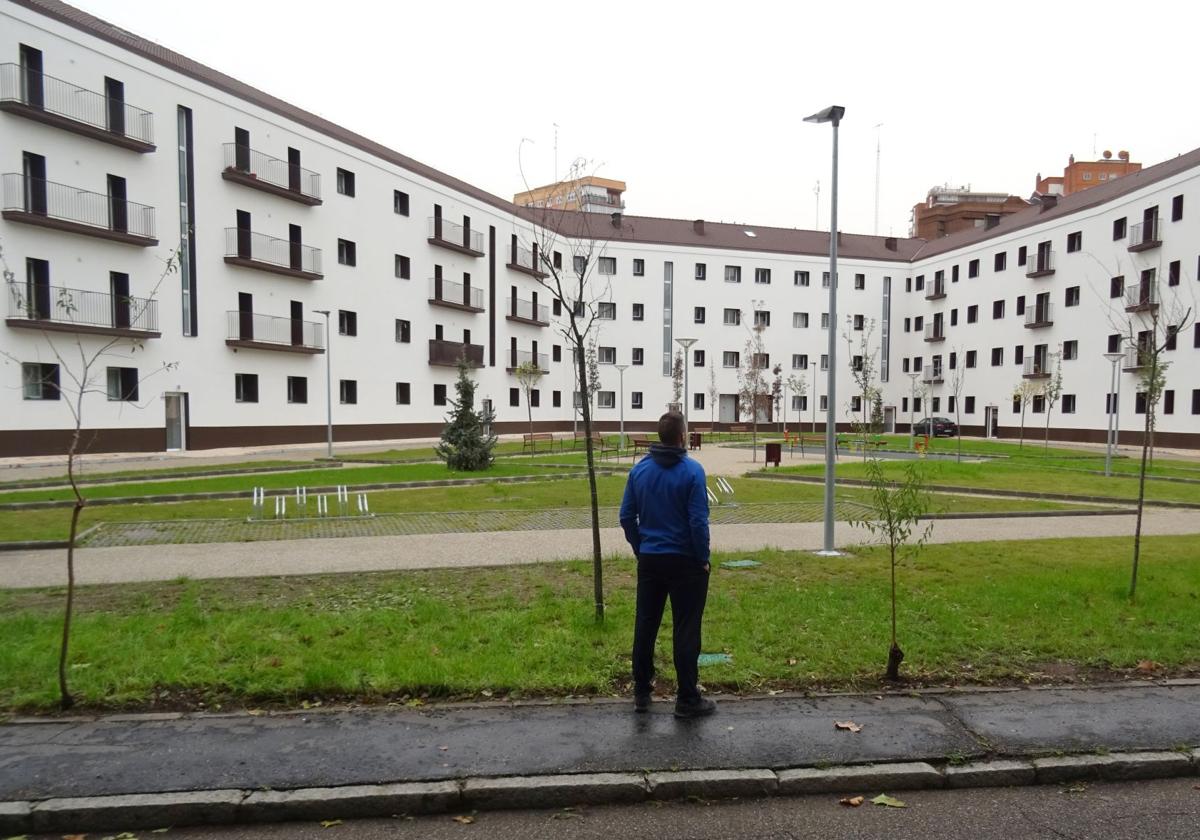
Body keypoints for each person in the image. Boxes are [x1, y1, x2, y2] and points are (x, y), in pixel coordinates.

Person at [619, 411, 715, 718]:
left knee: (645, 624)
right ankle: (687, 699)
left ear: (659, 437)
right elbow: (698, 522)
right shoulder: (693, 471)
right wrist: (702, 559)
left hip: (651, 561)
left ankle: (641, 693)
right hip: (686, 563)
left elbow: (625, 516)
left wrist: (640, 548)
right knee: (686, 629)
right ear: (683, 436)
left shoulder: (639, 472)